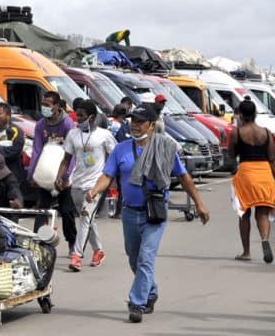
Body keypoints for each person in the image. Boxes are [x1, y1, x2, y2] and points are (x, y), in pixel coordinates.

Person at [86, 104, 209, 323]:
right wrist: (94, 190)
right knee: (134, 258)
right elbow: (107, 175)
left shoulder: (164, 147)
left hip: (155, 213)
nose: (134, 125)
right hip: (129, 214)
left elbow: (183, 177)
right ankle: (151, 291)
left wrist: (199, 204)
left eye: (140, 121)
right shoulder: (121, 149)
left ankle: (137, 303)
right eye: (132, 120)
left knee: (145, 259)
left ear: (152, 125)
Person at [57, 100, 116, 272]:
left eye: (81, 115)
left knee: (84, 217)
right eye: (76, 114)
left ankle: (76, 256)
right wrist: (60, 176)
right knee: (88, 221)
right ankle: (98, 251)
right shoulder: (73, 135)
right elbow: (66, 159)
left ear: (92, 117)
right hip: (76, 184)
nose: (78, 118)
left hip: (95, 185)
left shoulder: (105, 135)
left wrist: (110, 178)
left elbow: (115, 157)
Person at [28, 91, 77, 255]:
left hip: (62, 172)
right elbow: (36, 149)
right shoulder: (41, 124)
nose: (44, 108)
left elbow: (73, 153)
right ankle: (38, 242)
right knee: (42, 209)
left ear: (56, 106)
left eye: (48, 105)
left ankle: (72, 243)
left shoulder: (68, 124)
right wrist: (32, 174)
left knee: (67, 210)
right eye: (43, 104)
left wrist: (66, 175)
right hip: (45, 172)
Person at [228, 99, 275, 263]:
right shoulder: (267, 132)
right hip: (264, 174)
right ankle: (264, 239)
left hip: (246, 174)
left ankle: (246, 252)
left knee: (244, 214)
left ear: (240, 114)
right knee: (262, 213)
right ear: (255, 114)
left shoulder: (236, 133)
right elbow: (272, 158)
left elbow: (232, 155)